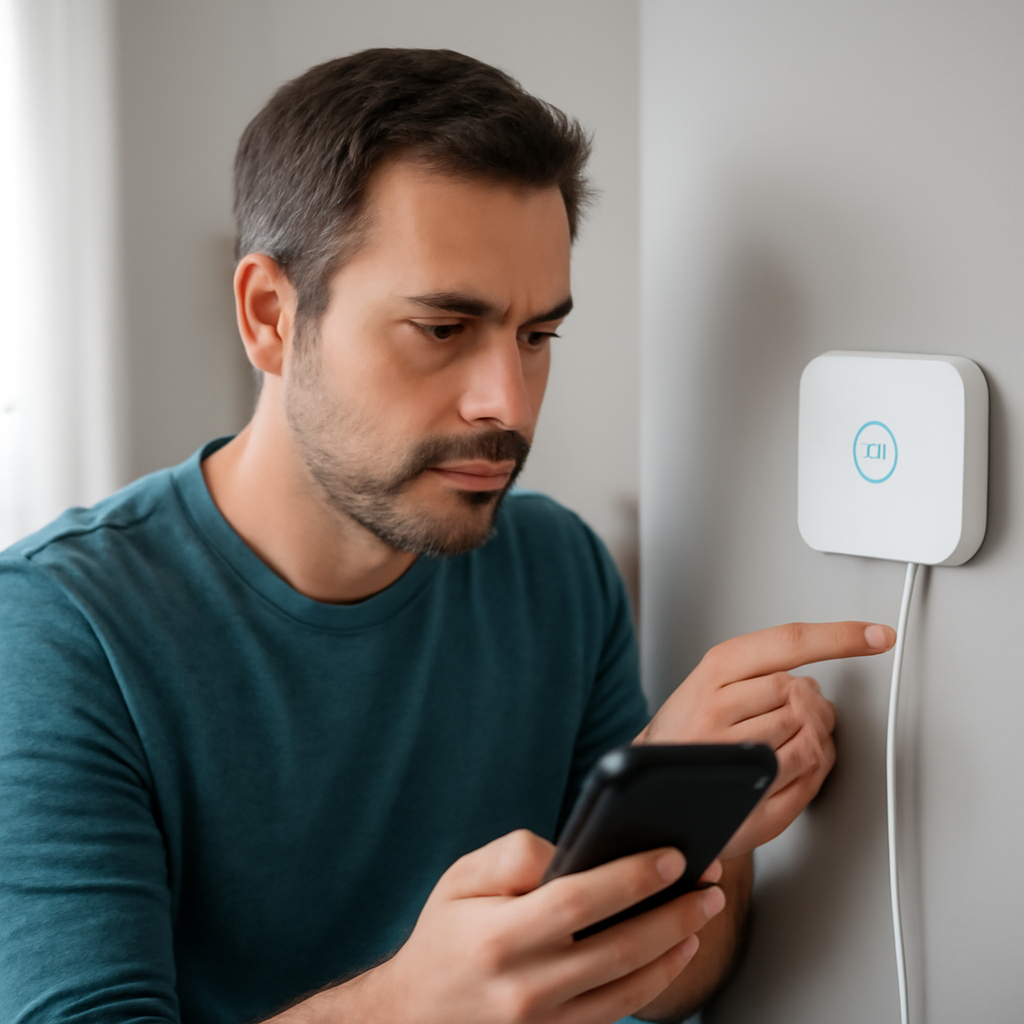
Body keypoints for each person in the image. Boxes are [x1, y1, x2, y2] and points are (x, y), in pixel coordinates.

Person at [0, 48, 896, 1024]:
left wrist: (707, 831)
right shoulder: (51, 634)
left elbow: (652, 990)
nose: (505, 403)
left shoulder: (557, 569)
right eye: (440, 328)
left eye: (535, 336)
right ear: (268, 315)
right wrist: (410, 1004)